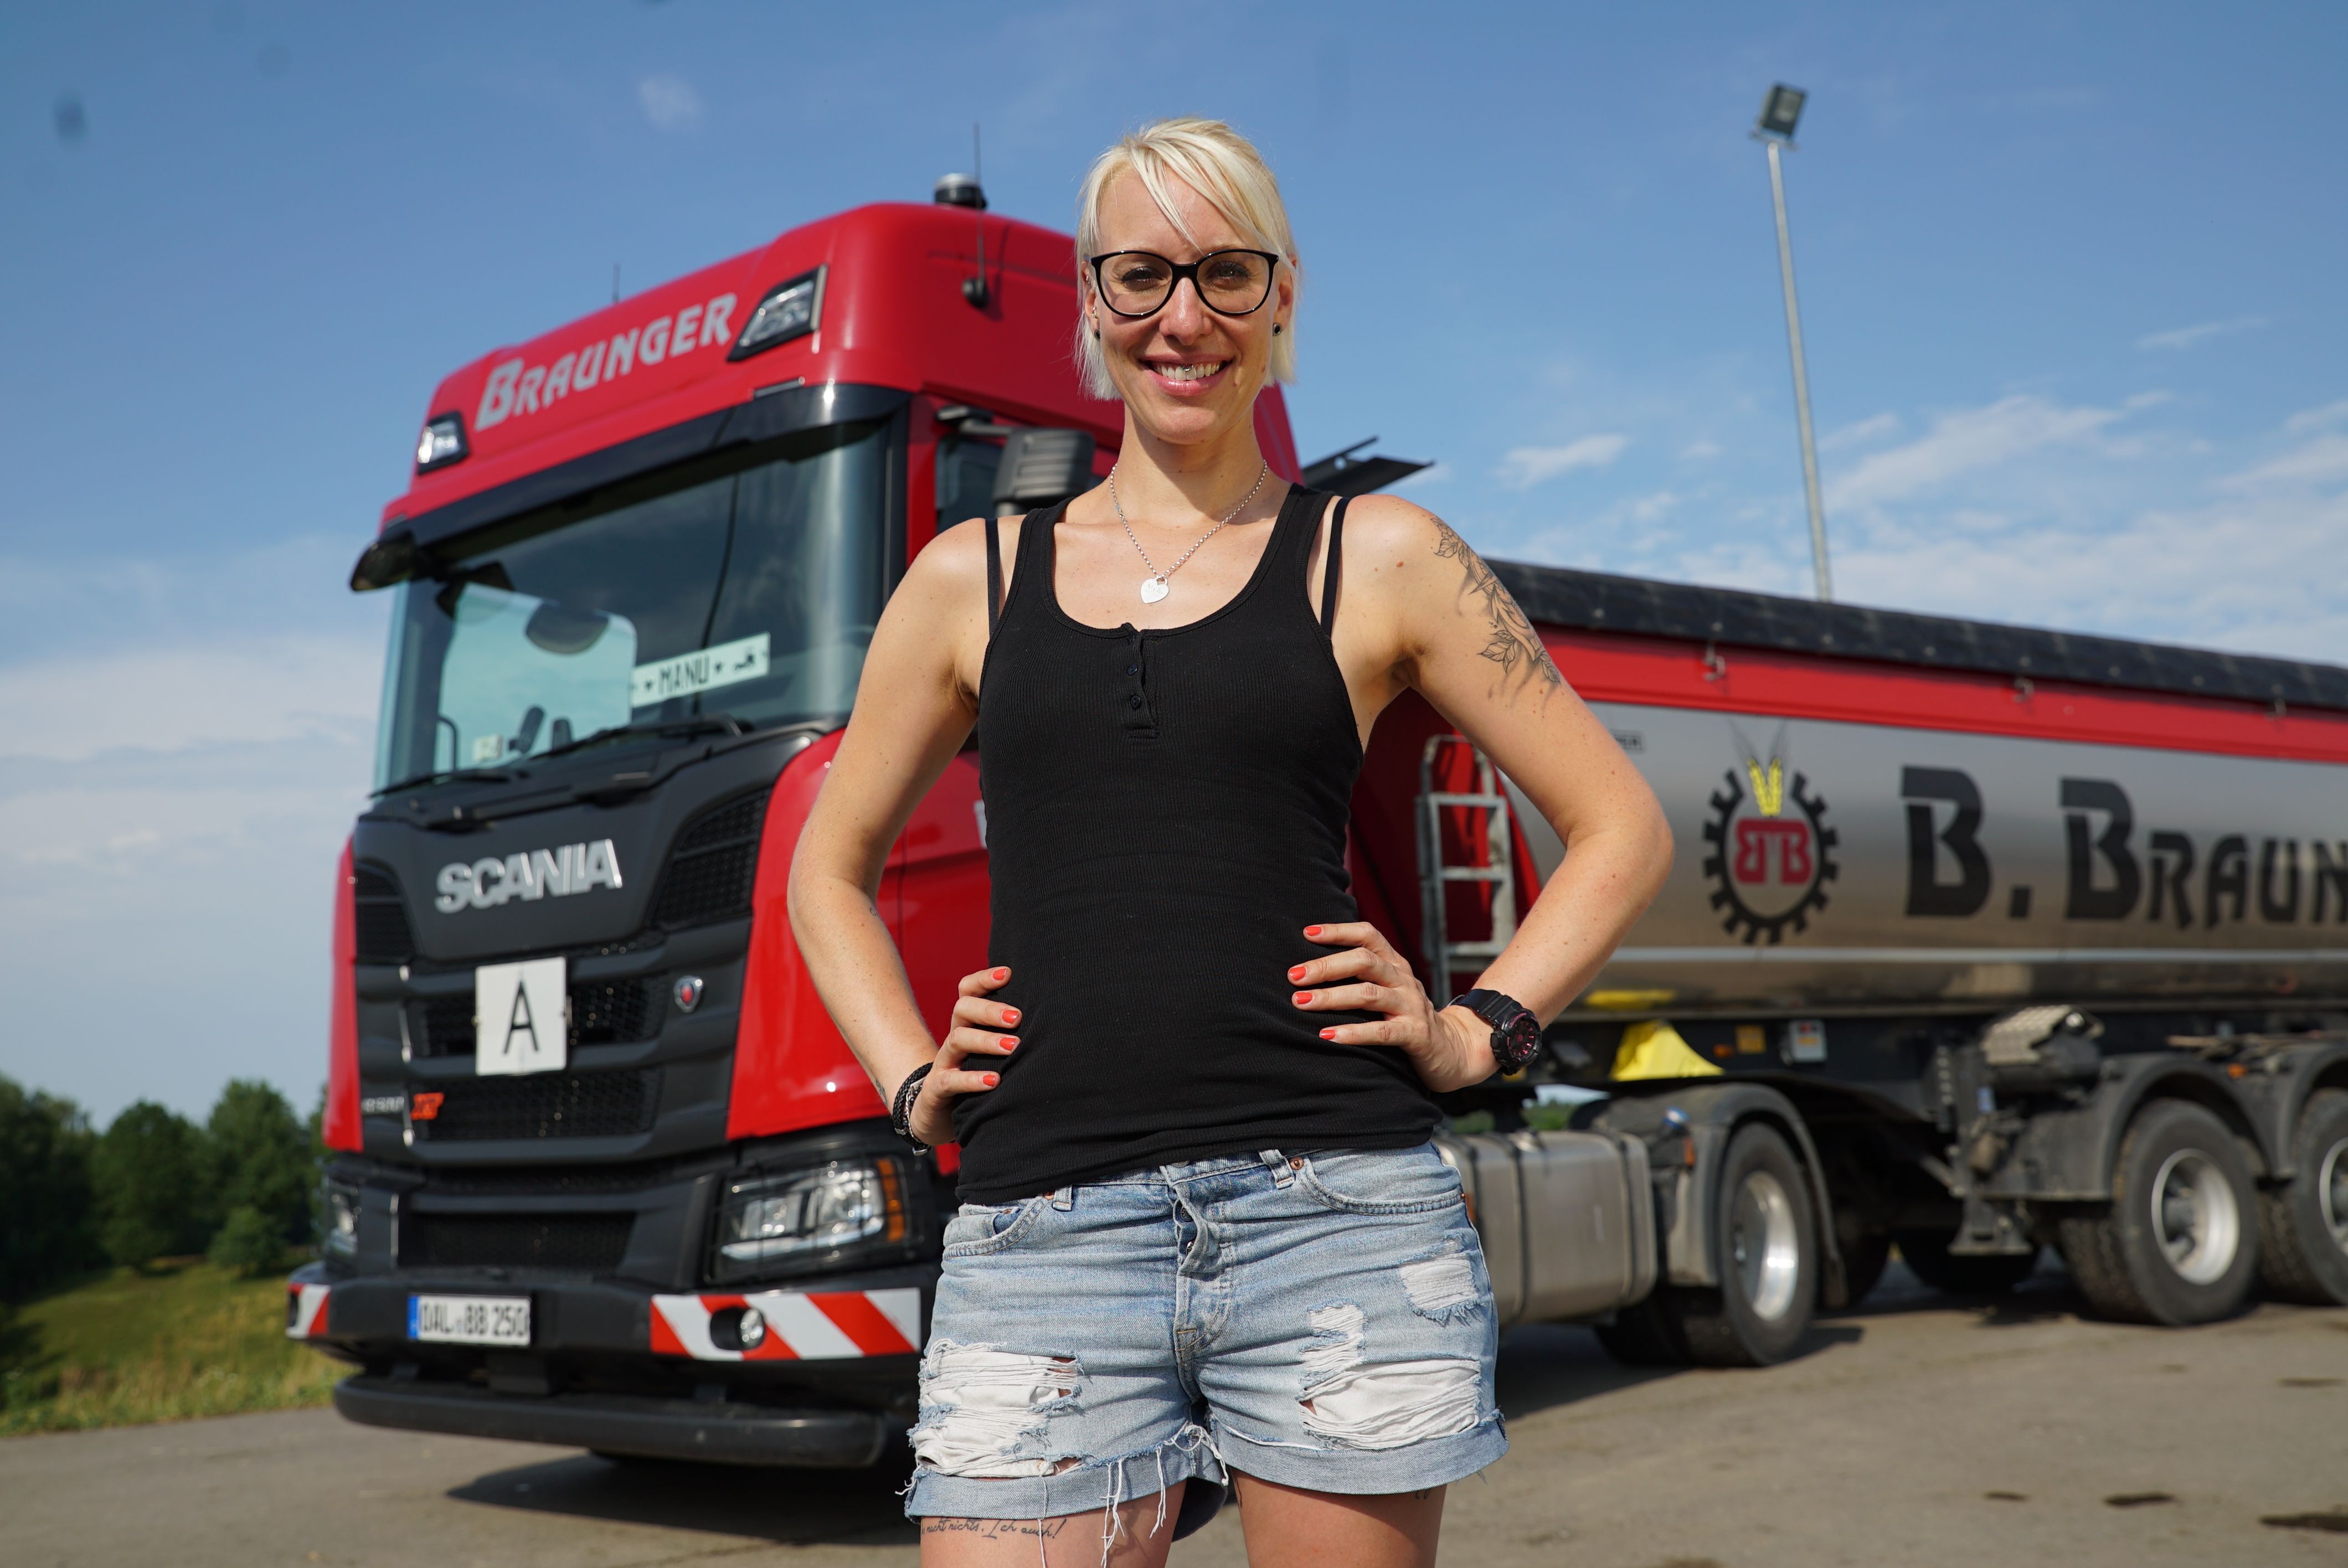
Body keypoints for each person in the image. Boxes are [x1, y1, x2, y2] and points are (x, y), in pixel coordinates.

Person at [788, 118, 1671, 1568]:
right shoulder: (969, 581)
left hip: (1334, 1214)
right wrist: (906, 1078)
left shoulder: (1381, 554)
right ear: (1088, 301)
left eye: (1223, 273)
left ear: (1283, 296)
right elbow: (829, 869)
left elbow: (1619, 826)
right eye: (1139, 276)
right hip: (1043, 1224)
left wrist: (1480, 1030)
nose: (1181, 317)